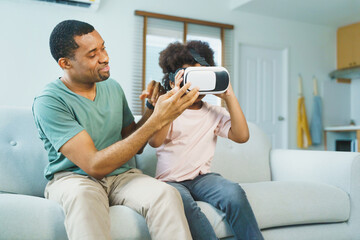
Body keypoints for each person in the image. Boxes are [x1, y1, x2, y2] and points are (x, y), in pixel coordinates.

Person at [32, 20, 199, 240]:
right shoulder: (49, 101)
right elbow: (94, 165)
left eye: (103, 47)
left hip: (121, 176)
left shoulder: (112, 87)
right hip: (74, 178)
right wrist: (158, 119)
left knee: (166, 194)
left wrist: (151, 108)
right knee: (83, 197)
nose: (104, 58)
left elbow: (133, 143)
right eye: (92, 54)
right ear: (66, 63)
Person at [149, 41, 264, 240]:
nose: (196, 85)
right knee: (183, 205)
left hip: (202, 179)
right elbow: (155, 141)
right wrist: (173, 98)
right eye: (189, 77)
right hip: (170, 181)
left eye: (201, 77)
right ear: (173, 79)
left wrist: (230, 96)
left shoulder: (214, 113)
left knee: (233, 193)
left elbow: (242, 136)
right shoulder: (168, 110)